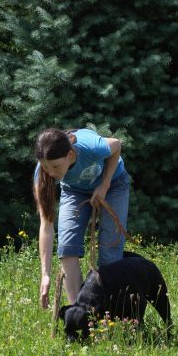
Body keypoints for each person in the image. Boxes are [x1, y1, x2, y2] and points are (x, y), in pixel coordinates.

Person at [34, 127, 130, 309]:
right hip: (74, 190)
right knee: (67, 247)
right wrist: (45, 274)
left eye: (55, 166)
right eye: (46, 167)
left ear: (70, 155)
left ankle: (111, 313)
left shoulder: (91, 147)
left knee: (110, 253)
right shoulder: (42, 173)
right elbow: (46, 225)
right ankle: (78, 314)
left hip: (114, 183)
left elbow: (116, 145)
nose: (50, 172)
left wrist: (104, 185)